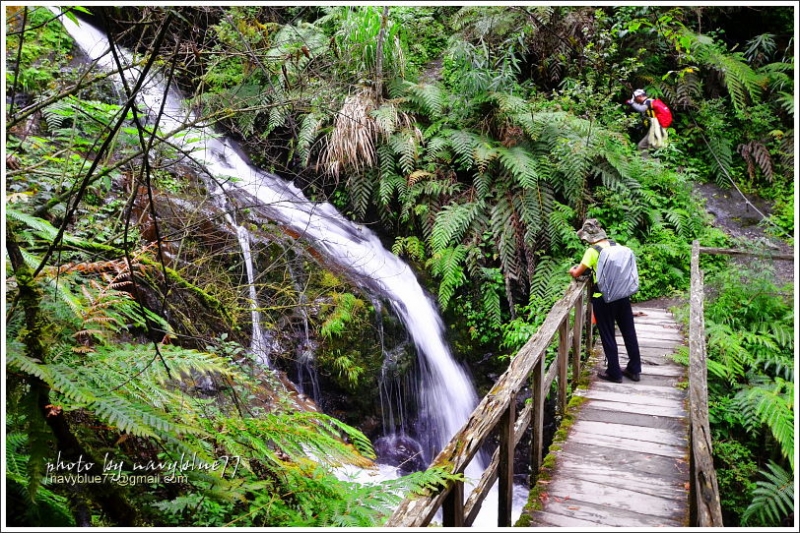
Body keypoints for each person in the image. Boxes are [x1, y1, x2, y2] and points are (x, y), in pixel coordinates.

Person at [568, 218, 642, 383]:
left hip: (602, 298)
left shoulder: (592, 251)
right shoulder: (616, 246)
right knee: (629, 332)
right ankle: (635, 369)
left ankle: (614, 373)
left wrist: (572, 271)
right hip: (622, 296)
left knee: (608, 334)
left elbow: (578, 272)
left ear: (588, 237)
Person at [626, 88, 668, 155]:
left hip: (656, 127)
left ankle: (648, 163)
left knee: (642, 146)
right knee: (651, 147)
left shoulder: (648, 102)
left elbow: (642, 109)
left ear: (640, 97)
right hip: (658, 126)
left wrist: (632, 103)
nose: (636, 100)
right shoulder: (650, 101)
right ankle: (652, 163)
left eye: (636, 98)